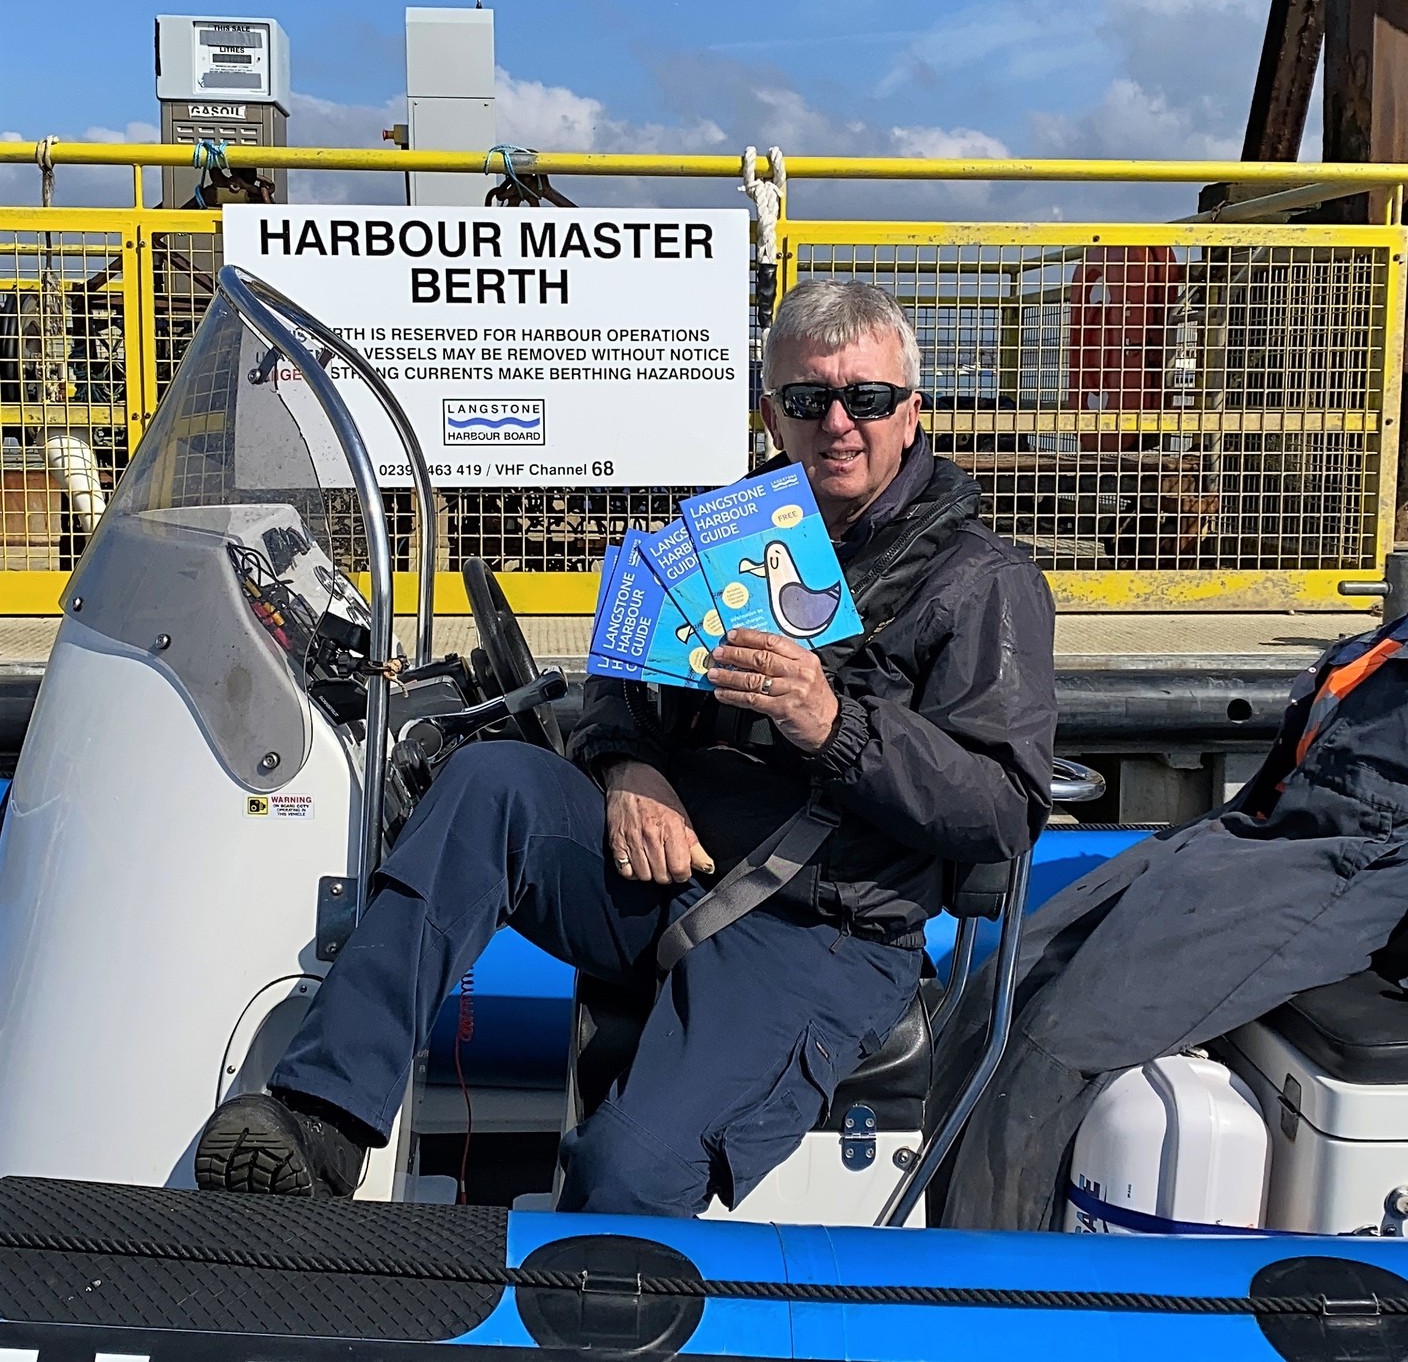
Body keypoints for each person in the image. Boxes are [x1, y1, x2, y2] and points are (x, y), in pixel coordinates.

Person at [195, 280, 1058, 1214]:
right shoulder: (731, 525)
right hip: (666, 862)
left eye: (867, 399)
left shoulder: (984, 585)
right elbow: (620, 676)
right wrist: (625, 766)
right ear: (774, 412)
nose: (838, 424)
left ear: (911, 411)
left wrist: (836, 726)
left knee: (626, 1176)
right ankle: (322, 1118)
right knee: (492, 781)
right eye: (809, 401)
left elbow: (1003, 808)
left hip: (823, 932)